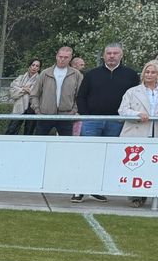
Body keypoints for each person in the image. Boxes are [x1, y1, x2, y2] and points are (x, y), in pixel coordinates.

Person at [72, 43, 139, 203]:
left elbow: (135, 99)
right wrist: (87, 116)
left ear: (121, 56)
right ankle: (79, 189)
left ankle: (97, 189)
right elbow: (81, 97)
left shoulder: (130, 75)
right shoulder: (92, 74)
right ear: (104, 55)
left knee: (107, 158)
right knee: (88, 155)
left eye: (115, 53)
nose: (112, 56)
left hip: (116, 122)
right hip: (92, 122)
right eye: (108, 53)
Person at [116, 59, 158, 208]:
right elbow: (122, 110)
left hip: (155, 134)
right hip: (137, 132)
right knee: (136, 165)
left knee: (153, 167)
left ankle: (152, 195)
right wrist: (137, 114)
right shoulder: (132, 91)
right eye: (147, 71)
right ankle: (136, 196)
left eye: (153, 72)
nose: (149, 74)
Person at [30, 46, 82, 137]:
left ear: (70, 58)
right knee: (38, 143)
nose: (62, 59)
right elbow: (34, 94)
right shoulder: (45, 73)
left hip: (66, 116)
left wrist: (73, 111)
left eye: (66, 57)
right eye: (60, 56)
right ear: (56, 56)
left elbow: (80, 96)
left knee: (66, 146)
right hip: (45, 116)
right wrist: (38, 111)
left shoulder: (76, 75)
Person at [5, 59, 41, 135]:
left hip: (32, 107)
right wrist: (24, 89)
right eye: (33, 65)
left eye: (37, 66)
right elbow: (12, 92)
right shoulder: (20, 78)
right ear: (29, 66)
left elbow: (38, 93)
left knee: (29, 132)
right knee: (11, 130)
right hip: (19, 106)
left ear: (39, 68)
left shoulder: (40, 80)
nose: (34, 67)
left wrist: (22, 89)